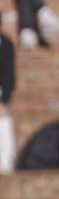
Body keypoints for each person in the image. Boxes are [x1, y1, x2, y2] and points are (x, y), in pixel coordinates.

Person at [0, 29, 13, 173]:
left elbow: (10, 76)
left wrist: (3, 101)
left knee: (3, 122)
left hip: (1, 93)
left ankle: (5, 164)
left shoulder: (6, 44)